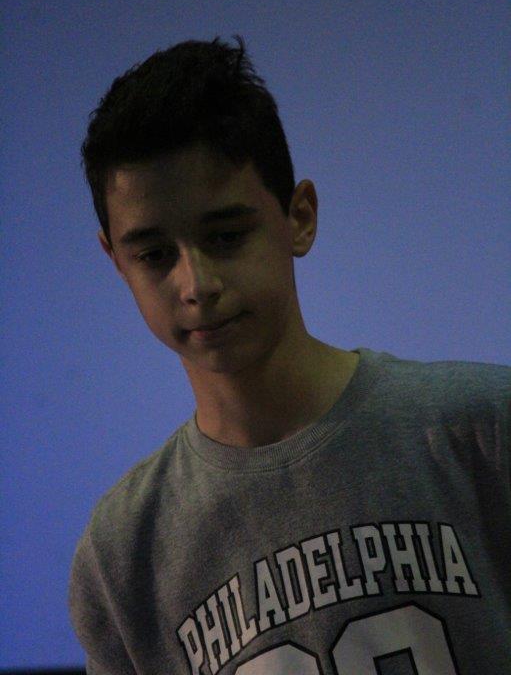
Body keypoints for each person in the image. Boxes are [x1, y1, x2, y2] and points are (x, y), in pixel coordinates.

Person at [69, 35, 510, 674]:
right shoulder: (121, 553)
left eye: (226, 236)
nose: (196, 285)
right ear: (116, 260)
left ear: (299, 217)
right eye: (155, 254)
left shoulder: (483, 432)